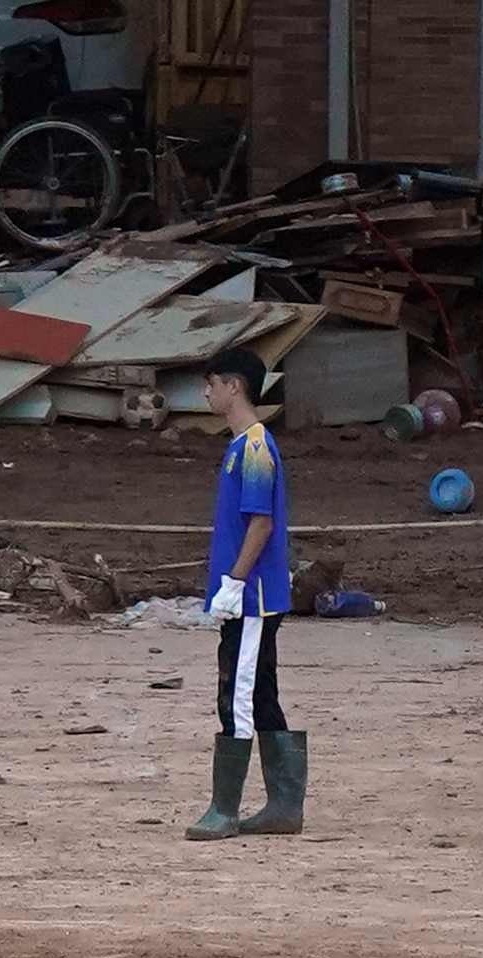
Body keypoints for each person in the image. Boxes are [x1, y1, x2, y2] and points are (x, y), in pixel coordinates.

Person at [194, 344, 303, 840]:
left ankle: (225, 808)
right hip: (253, 594)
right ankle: (283, 805)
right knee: (259, 694)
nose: (207, 393)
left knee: (235, 696)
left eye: (211, 384)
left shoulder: (254, 447)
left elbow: (261, 523)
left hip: (253, 596)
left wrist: (235, 582)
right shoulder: (244, 445)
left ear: (232, 386)